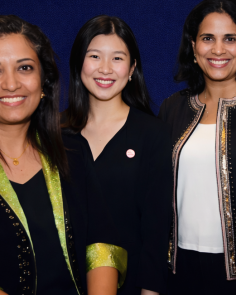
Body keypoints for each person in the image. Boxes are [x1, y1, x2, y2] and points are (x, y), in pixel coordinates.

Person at [0, 15, 126, 295]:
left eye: (25, 68)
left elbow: (101, 246)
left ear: (43, 80)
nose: (11, 84)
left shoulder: (73, 150)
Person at [158, 0, 236, 295]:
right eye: (207, 38)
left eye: (230, 39)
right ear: (193, 47)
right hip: (179, 267)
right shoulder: (172, 108)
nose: (218, 49)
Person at [62, 16, 172, 295]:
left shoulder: (153, 133)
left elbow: (157, 229)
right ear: (78, 63)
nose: (105, 68)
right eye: (94, 56)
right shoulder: (53, 132)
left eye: (117, 58)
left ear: (132, 68)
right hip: (62, 281)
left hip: (130, 283)